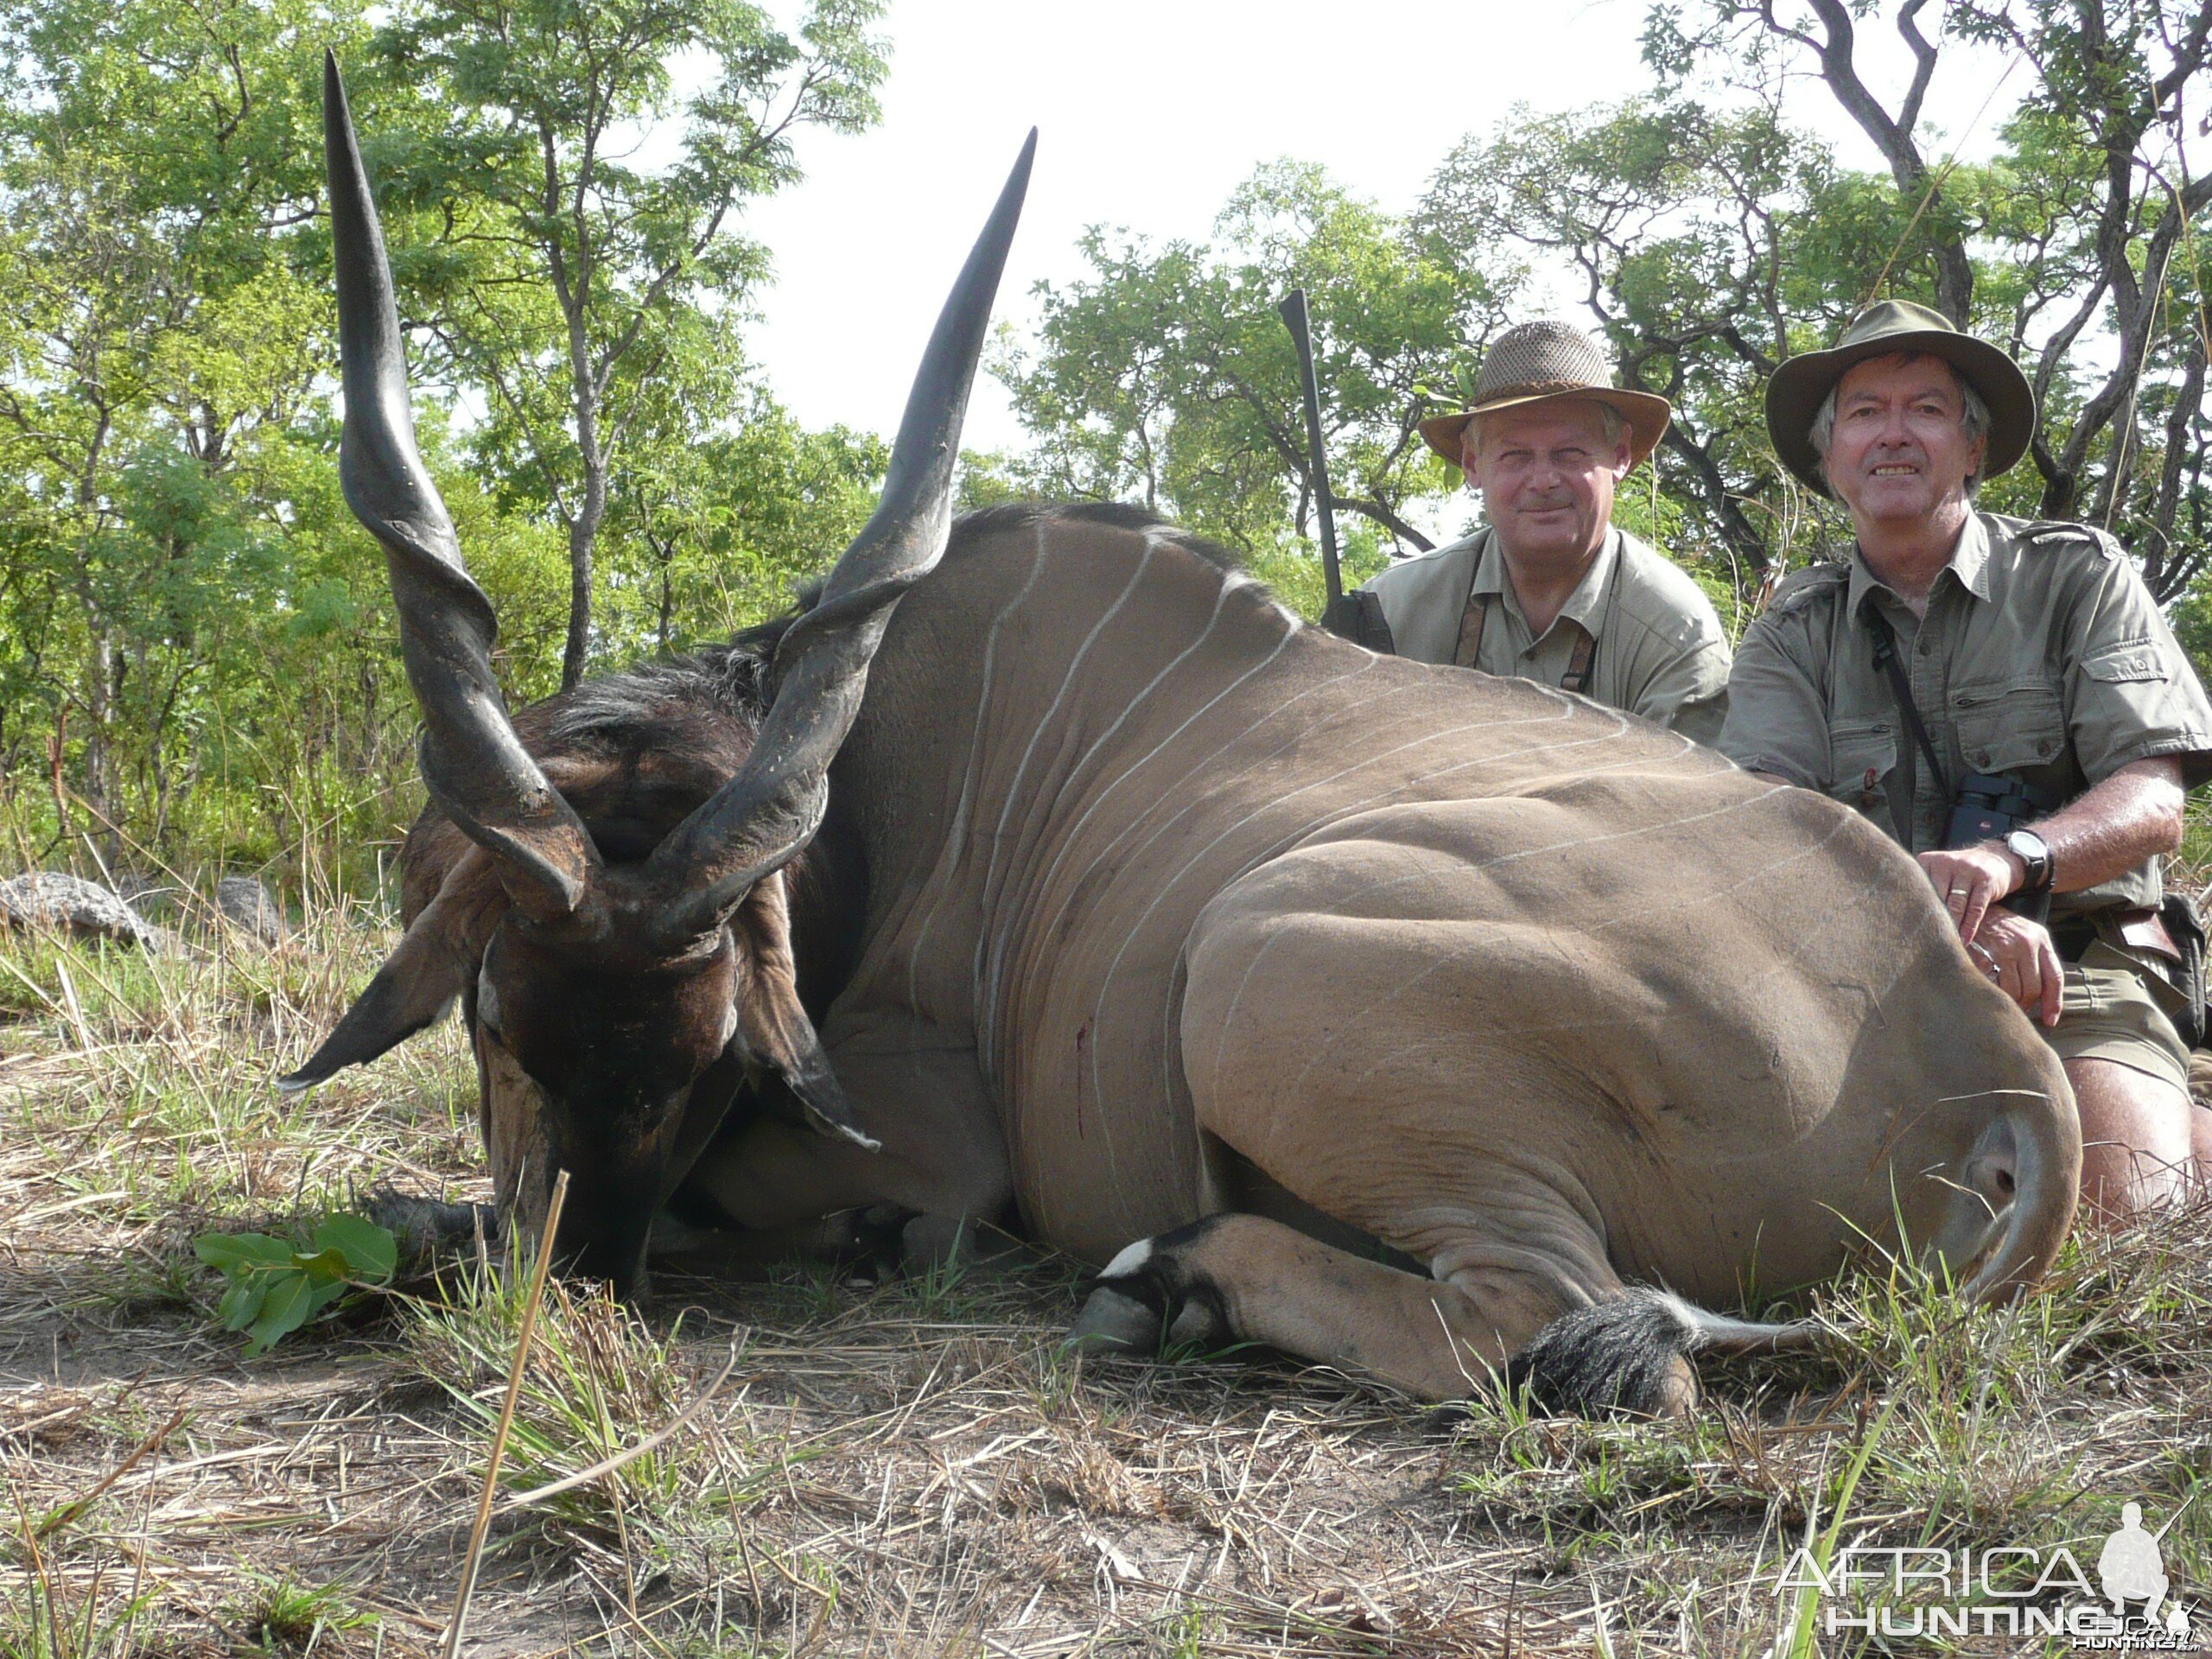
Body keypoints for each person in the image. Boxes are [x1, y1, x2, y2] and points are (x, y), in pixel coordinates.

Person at [1719, 298, 2212, 1217]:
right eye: (1864, 412)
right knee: (1795, 1218)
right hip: (1861, 972)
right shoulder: (1789, 630)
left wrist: (2006, 864)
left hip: (2074, 961)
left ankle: (2157, 1122)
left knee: (2114, 1216)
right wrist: (1937, 923)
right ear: (1829, 459)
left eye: (1926, 409)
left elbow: (2153, 798)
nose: (1892, 435)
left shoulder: (2078, 574)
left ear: (1973, 447)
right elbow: (1764, 828)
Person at [1357, 320, 1732, 743]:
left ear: (1620, 455)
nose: (1542, 481)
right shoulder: (1389, 613)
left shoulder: (1674, 631)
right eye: (1514, 456)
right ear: (1472, 464)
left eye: (1569, 454)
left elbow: (1685, 802)